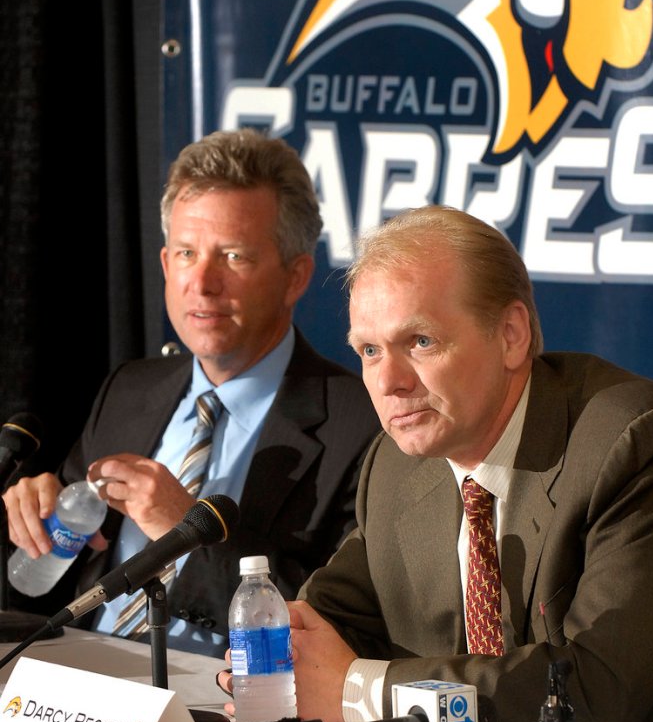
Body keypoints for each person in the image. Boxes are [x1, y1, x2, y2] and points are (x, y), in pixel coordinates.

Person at [219, 204, 653, 722]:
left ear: (511, 335)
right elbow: (329, 620)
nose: (390, 382)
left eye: (420, 341)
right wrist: (278, 656)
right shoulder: (397, 462)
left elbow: (596, 690)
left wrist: (358, 688)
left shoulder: (636, 442)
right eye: (370, 351)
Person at [3, 128, 379, 654]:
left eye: (234, 257)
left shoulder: (360, 423)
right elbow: (49, 579)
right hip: (81, 680)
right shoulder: (129, 390)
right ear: (164, 264)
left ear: (295, 277)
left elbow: (339, 625)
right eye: (185, 253)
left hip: (230, 705)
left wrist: (182, 537)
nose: (201, 282)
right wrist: (30, 523)